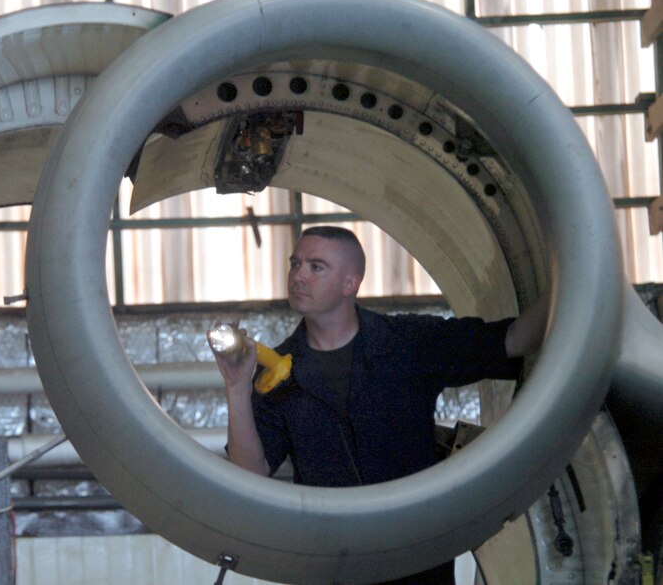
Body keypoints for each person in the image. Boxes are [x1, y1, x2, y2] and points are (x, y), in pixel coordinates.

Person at [208, 225, 547, 585]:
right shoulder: (280, 373)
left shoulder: (408, 344)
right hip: (331, 567)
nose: (298, 276)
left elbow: (512, 340)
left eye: (316, 266)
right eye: (295, 264)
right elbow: (250, 475)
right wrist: (237, 386)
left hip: (417, 562)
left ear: (350, 283)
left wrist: (570, 278)